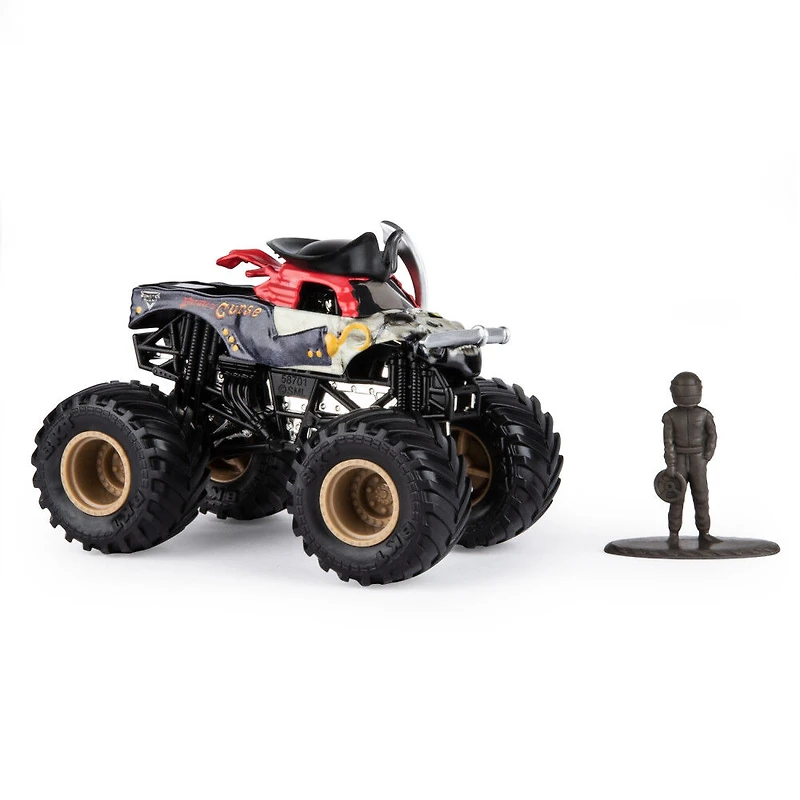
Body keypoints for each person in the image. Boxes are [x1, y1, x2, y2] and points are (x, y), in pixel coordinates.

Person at [662, 372, 717, 543]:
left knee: (701, 496)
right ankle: (674, 534)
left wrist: (707, 455)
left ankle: (704, 532)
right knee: (676, 497)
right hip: (681, 459)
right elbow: (668, 443)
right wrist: (671, 464)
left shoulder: (704, 415)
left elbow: (712, 436)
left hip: (697, 459)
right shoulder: (670, 416)